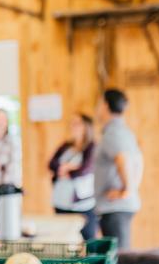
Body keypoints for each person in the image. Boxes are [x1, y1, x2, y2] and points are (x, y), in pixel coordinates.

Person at [94, 88, 143, 249]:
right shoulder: (122, 131)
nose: (97, 108)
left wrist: (126, 190)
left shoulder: (113, 133)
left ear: (106, 106)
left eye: (99, 104)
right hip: (117, 208)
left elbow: (122, 159)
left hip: (115, 208)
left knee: (119, 259)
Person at [48, 113, 97, 240]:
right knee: (63, 238)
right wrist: (66, 167)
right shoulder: (66, 146)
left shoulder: (91, 147)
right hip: (61, 200)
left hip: (82, 203)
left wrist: (67, 170)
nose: (73, 126)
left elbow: (86, 168)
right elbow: (52, 164)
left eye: (77, 123)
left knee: (87, 239)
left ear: (86, 127)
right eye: (72, 123)